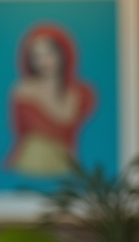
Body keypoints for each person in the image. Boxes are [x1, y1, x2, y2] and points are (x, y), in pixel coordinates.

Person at [6, 25, 95, 177]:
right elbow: (18, 131)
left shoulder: (81, 94)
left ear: (63, 54)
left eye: (49, 53)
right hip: (32, 164)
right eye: (36, 56)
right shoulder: (23, 90)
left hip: (67, 166)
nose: (43, 61)